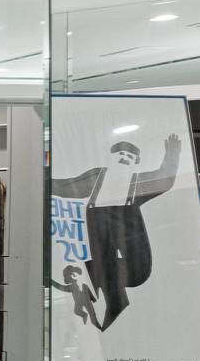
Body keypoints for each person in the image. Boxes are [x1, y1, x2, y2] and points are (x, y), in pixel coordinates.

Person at [53, 135, 180, 330]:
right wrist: (43, 178)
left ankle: (105, 293)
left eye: (130, 156)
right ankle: (114, 302)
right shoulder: (97, 177)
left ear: (135, 162)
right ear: (111, 156)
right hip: (99, 222)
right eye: (121, 153)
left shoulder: (136, 180)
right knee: (100, 263)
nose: (124, 158)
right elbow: (67, 186)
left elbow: (164, 181)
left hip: (127, 225)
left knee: (138, 271)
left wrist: (172, 155)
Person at [49, 264, 100, 328]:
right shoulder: (72, 286)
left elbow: (87, 289)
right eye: (71, 275)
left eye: (73, 275)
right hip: (79, 302)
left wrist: (93, 298)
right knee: (77, 311)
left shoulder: (81, 285)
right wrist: (52, 282)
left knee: (92, 319)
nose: (73, 276)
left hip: (85, 300)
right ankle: (85, 316)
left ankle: (98, 326)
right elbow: (61, 287)